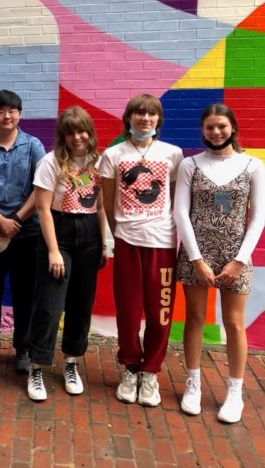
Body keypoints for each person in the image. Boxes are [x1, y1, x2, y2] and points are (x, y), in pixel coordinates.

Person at [174, 104, 264, 423]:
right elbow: (181, 213)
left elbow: (259, 216)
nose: (216, 132)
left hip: (235, 256)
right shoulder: (190, 165)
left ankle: (235, 392)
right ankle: (193, 384)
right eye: (210, 127)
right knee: (196, 318)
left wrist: (239, 261)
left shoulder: (253, 165)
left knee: (234, 323)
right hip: (196, 255)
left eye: (222, 126)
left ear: (233, 128)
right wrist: (196, 260)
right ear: (203, 130)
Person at [99, 94, 183, 407]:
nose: (145, 119)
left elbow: (176, 200)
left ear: (158, 120)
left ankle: (151, 372)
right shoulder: (113, 155)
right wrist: (117, 234)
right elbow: (107, 203)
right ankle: (131, 367)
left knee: (160, 314)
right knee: (129, 312)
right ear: (129, 118)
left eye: (151, 114)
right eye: (139, 113)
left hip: (161, 243)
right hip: (128, 242)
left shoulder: (173, 154)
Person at [26, 107, 108, 401]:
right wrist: (52, 251)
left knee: (81, 303)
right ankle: (37, 365)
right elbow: (42, 208)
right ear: (63, 135)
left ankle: (72, 361)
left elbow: (100, 207)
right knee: (49, 304)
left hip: (89, 235)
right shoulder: (51, 162)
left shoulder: (98, 162)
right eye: (71, 132)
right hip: (58, 232)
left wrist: (104, 243)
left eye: (82, 130)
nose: (77, 137)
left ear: (90, 132)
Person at [0, 90, 46, 373]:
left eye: (13, 110)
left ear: (20, 114)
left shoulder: (33, 146)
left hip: (27, 232)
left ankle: (24, 349)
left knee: (25, 293)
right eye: (1, 111)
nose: (8, 116)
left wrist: (15, 218)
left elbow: (41, 188)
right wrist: (0, 220)